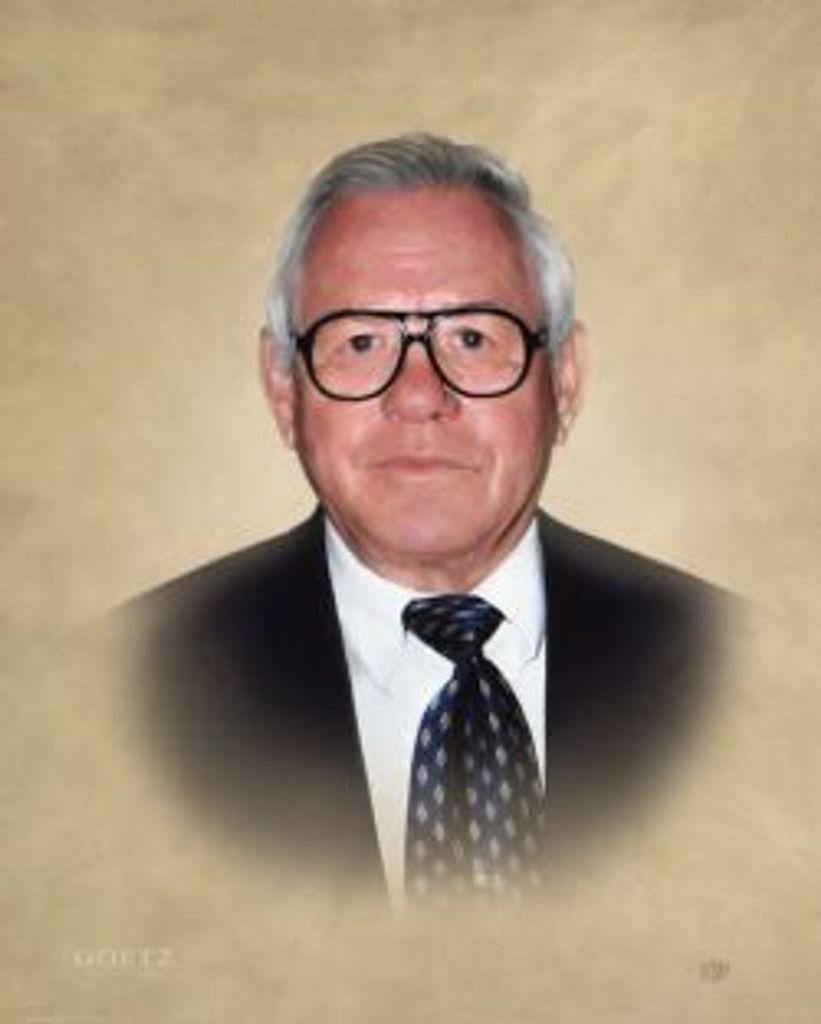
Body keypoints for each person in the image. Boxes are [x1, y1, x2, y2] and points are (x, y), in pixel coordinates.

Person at [131, 133, 729, 908]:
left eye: (471, 338)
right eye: (361, 341)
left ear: (564, 383)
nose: (417, 395)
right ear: (282, 391)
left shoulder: (743, 674)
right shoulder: (129, 691)